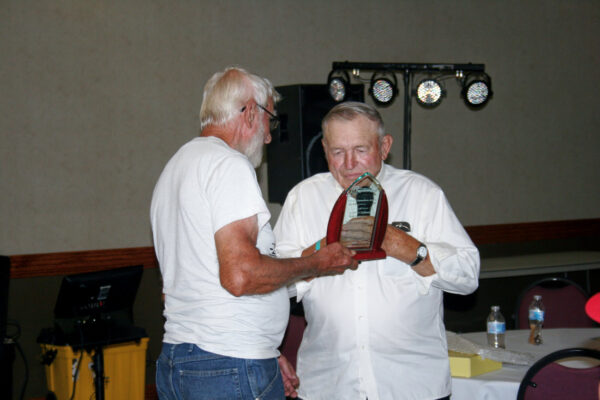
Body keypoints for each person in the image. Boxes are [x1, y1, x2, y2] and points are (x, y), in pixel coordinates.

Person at [150, 67, 358, 400]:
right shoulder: (228, 164)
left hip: (182, 360)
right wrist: (317, 263)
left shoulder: (175, 167)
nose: (269, 137)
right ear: (250, 112)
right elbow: (241, 276)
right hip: (228, 363)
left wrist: (266, 351)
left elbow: (186, 286)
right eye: (269, 121)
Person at [273, 101, 481, 400]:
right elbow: (273, 287)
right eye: (337, 151)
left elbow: (467, 276)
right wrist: (316, 257)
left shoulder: (422, 194)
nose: (349, 163)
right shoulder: (303, 198)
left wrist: (407, 248)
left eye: (360, 149)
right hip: (329, 385)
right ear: (324, 150)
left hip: (412, 386)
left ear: (384, 147)